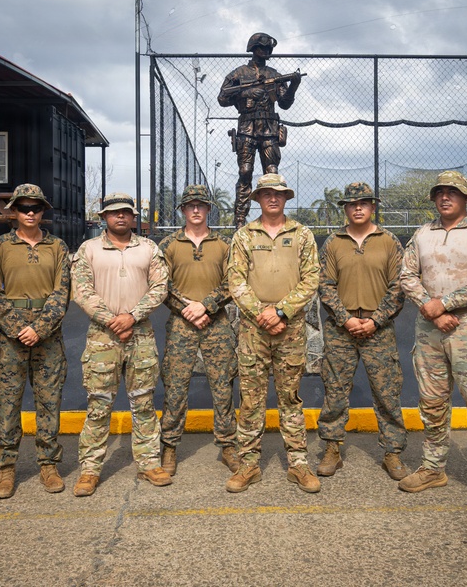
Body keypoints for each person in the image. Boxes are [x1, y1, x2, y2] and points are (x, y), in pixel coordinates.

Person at [398, 170, 467, 518]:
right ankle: (433, 468)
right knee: (432, 405)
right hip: (430, 330)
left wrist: (446, 303)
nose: (445, 197)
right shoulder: (423, 234)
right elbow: (407, 275)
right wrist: (431, 309)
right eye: (440, 192)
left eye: (453, 192)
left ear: (466, 198)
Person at [71, 192, 171, 496]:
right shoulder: (88, 250)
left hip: (139, 335)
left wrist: (132, 316)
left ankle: (149, 463)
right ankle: (89, 469)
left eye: (126, 212)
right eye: (114, 213)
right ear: (104, 217)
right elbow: (81, 290)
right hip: (103, 337)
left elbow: (160, 287)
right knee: (99, 405)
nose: (121, 217)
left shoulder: (149, 249)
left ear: (133, 217)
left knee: (143, 403)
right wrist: (112, 320)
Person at [225, 173, 320, 494]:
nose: (273, 198)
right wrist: (262, 313)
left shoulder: (302, 234)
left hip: (290, 327)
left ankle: (298, 464)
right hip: (254, 329)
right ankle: (248, 464)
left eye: (278, 194)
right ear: (259, 199)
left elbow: (311, 279)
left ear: (285, 198)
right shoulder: (244, 236)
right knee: (250, 398)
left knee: (290, 397)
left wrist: (281, 311)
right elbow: (235, 281)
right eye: (266, 194)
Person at [316, 182, 408, 482]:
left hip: (377, 329)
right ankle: (332, 448)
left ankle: (392, 452)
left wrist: (375, 320)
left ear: (372, 207)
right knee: (335, 392)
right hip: (341, 330)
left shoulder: (389, 241)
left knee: (387, 393)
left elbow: (399, 286)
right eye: (353, 203)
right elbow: (325, 286)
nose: (358, 207)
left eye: (364, 203)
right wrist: (345, 319)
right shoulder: (333, 242)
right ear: (345, 208)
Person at [0, 184, 71, 498]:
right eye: (23, 208)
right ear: (14, 212)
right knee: (8, 403)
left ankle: (48, 463)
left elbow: (62, 293)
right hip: (11, 338)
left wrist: (40, 328)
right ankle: (6, 468)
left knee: (49, 402)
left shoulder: (57, 247)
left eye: (36, 207)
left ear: (43, 210)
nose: (30, 213)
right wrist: (19, 328)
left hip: (47, 336)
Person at [158, 185, 239, 476]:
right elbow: (160, 286)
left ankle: (228, 446)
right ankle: (169, 446)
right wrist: (187, 309)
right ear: (182, 209)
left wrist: (206, 306)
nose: (195, 210)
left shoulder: (224, 244)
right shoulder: (168, 245)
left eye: (201, 205)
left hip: (216, 324)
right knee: (176, 387)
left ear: (208, 209)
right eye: (190, 205)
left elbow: (233, 282)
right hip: (181, 324)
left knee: (223, 387)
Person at [217, 32, 302, 227]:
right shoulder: (238, 73)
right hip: (247, 128)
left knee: (272, 175)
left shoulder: (274, 75)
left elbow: (285, 103)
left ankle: (273, 220)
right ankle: (239, 221)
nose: (266, 52)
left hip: (269, 130)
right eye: (262, 48)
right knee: (245, 172)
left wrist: (293, 86)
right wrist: (246, 92)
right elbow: (222, 98)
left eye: (268, 49)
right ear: (254, 49)